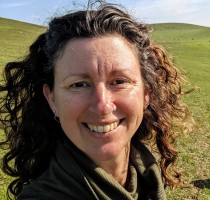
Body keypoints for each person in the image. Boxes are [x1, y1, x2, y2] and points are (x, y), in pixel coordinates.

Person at [0, 2, 193, 200]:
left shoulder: (147, 174)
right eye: (79, 85)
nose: (102, 106)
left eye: (119, 81)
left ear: (146, 94)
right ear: (52, 99)